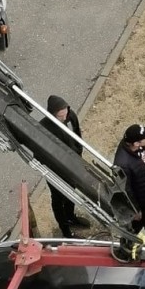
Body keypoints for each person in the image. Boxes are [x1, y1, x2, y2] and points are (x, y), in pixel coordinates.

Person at [41, 95, 90, 238]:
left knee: (71, 193)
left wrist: (78, 154)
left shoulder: (70, 116)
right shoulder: (44, 129)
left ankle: (70, 216)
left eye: (65, 114)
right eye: (60, 116)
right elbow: (41, 154)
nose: (64, 118)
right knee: (58, 199)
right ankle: (66, 230)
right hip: (56, 171)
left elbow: (77, 134)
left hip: (72, 165)